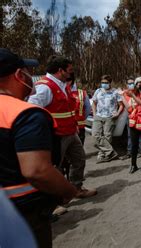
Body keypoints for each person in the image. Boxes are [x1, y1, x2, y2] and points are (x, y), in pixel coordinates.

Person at [0, 48, 78, 247]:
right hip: (23, 213)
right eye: (27, 71)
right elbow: (37, 171)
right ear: (19, 75)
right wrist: (67, 190)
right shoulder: (26, 114)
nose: (31, 76)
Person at [28, 55, 96, 199]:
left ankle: (76, 188)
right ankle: (55, 201)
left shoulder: (62, 85)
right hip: (57, 135)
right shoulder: (44, 87)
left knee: (79, 159)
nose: (71, 73)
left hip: (71, 132)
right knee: (54, 167)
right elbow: (32, 112)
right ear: (60, 70)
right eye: (69, 70)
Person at [91, 75, 124, 163]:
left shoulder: (115, 92)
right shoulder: (98, 91)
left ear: (110, 83)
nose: (104, 84)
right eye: (103, 82)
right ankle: (111, 152)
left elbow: (121, 105)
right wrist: (94, 114)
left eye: (106, 83)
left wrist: (117, 113)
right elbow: (94, 103)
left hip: (110, 117)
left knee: (107, 136)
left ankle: (104, 155)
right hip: (98, 116)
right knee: (95, 136)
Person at [120, 77, 141, 160]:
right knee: (130, 135)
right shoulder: (125, 93)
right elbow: (127, 108)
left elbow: (131, 107)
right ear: (126, 85)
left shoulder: (139, 92)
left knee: (139, 134)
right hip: (130, 117)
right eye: (129, 83)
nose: (131, 85)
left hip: (138, 116)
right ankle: (129, 152)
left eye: (132, 83)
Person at [68, 76, 91, 146]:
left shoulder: (82, 93)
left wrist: (82, 118)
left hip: (78, 126)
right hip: (69, 126)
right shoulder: (64, 92)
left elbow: (87, 109)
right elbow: (87, 109)